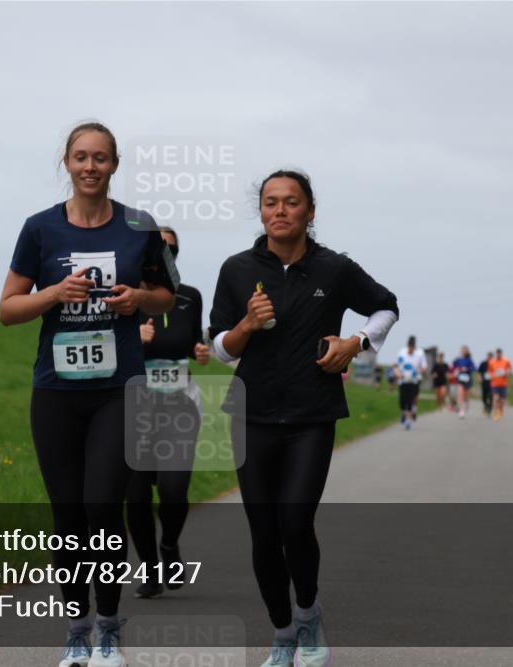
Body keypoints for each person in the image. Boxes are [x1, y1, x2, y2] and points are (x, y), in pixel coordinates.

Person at [0, 121, 179, 667]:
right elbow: (7, 309)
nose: (90, 167)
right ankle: (76, 631)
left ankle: (108, 630)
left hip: (118, 390)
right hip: (55, 392)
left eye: (100, 158)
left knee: (104, 507)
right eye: (80, 157)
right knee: (68, 514)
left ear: (114, 164)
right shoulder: (39, 229)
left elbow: (167, 296)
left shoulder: (139, 227)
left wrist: (136, 301)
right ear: (67, 164)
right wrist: (53, 292)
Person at [209, 169, 399, 667]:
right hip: (251, 414)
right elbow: (220, 351)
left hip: (312, 415)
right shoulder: (236, 269)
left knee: (295, 522)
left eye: (290, 202)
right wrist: (246, 324)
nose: (279, 211)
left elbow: (386, 307)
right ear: (262, 211)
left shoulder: (334, 270)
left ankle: (309, 612)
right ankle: (282, 631)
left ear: (309, 211)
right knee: (263, 531)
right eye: (270, 202)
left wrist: (354, 343)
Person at [126, 227, 210, 599]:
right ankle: (148, 569)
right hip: (135, 406)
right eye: (159, 248)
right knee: (138, 495)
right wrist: (133, 341)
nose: (165, 254)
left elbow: (192, 341)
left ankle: (170, 545)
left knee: (174, 490)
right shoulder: (125, 297)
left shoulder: (190, 296)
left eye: (171, 249)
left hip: (180, 402)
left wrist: (199, 351)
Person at [394, 336, 426, 430]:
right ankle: (405, 413)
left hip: (414, 380)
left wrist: (417, 372)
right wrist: (398, 373)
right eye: (410, 346)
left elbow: (424, 367)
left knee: (410, 400)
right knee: (402, 401)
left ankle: (408, 421)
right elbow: (396, 366)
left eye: (412, 346)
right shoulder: (402, 352)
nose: (411, 348)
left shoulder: (420, 353)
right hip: (403, 380)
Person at [487, 348, 513, 421]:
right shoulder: (491, 362)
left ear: (501, 354)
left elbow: (510, 369)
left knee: (502, 400)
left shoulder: (506, 361)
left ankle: (501, 409)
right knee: (495, 398)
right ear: (496, 354)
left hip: (503, 383)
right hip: (494, 383)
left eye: (499, 353)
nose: (498, 354)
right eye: (497, 353)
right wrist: (491, 375)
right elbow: (489, 371)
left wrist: (507, 372)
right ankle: (496, 413)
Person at [451, 346, 476, 419]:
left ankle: (466, 403)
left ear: (467, 351)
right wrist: (456, 370)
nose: (463, 351)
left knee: (465, 397)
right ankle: (461, 411)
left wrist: (467, 369)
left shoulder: (469, 360)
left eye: (465, 350)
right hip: (460, 379)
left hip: (467, 379)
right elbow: (452, 366)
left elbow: (474, 368)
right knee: (459, 395)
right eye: (462, 350)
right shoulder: (458, 359)